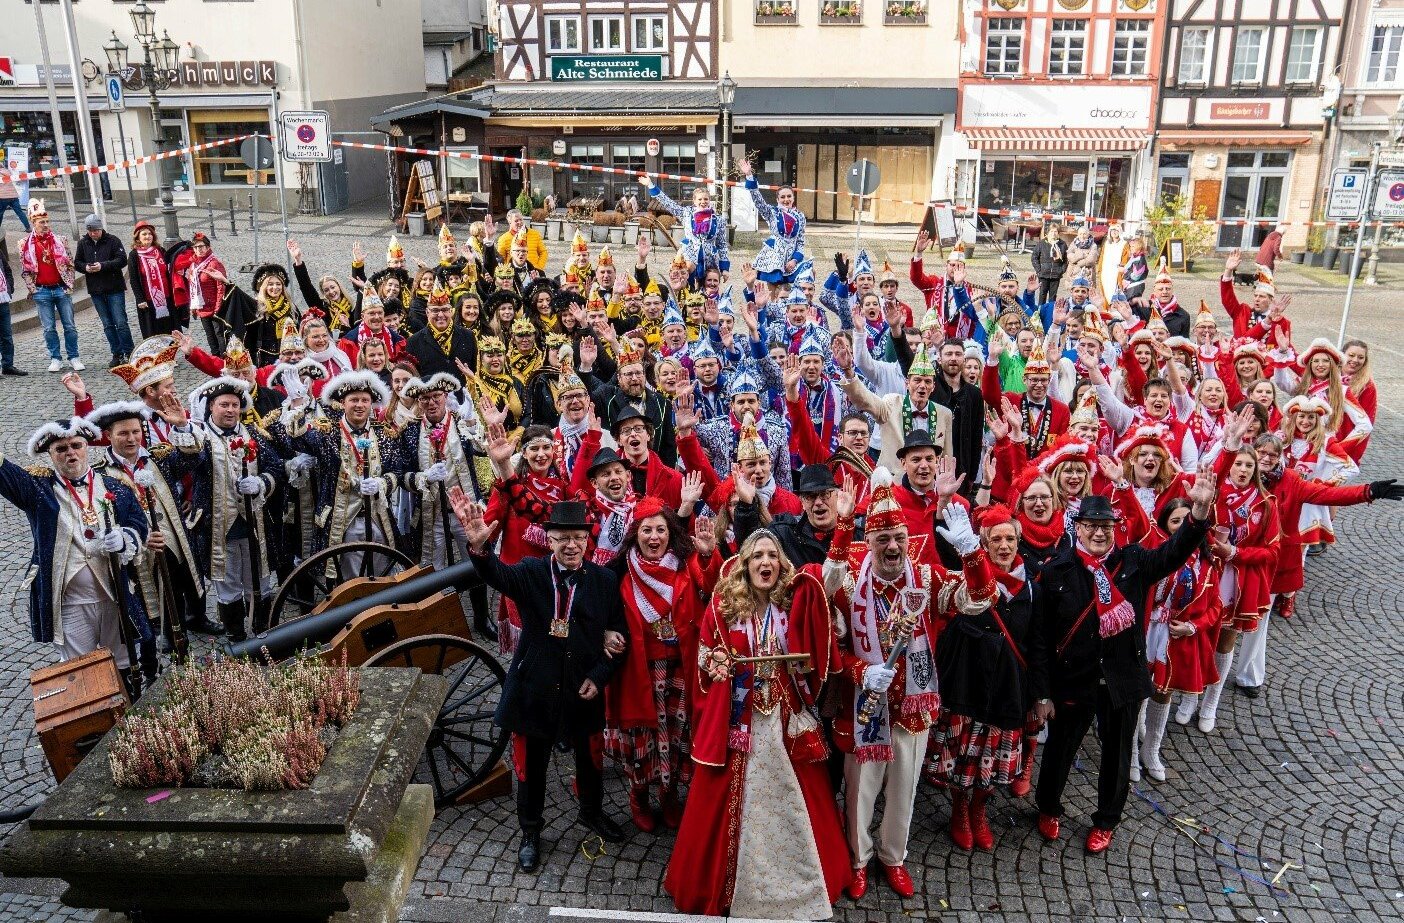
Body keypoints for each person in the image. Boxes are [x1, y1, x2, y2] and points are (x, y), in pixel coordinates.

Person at [823, 468, 995, 898]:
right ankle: (858, 858)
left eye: (899, 537)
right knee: (860, 792)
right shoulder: (850, 584)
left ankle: (892, 856)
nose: (892, 546)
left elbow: (980, 598)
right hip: (864, 708)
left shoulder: (926, 579)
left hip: (912, 709)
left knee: (904, 791)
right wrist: (862, 672)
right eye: (882, 539)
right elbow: (831, 639)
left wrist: (971, 551)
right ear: (869, 543)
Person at [664, 529, 851, 918]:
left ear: (781, 563)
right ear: (745, 564)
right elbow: (705, 654)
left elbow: (827, 589)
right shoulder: (724, 606)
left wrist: (844, 528)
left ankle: (803, 885)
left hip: (784, 714)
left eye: (772, 556)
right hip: (739, 717)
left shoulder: (792, 602)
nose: (765, 562)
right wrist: (717, 663)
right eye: (757, 556)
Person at [1032, 471, 1217, 854]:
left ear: (1116, 528)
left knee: (1117, 756)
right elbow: (1041, 639)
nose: (1099, 533)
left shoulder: (1134, 560)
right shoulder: (1055, 570)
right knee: (1060, 750)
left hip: (1121, 678)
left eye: (1106, 526)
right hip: (1073, 679)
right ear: (1077, 528)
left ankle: (1106, 821)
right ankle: (1048, 807)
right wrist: (1043, 693)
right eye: (1091, 526)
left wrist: (1199, 513)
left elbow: (1175, 552)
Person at [455, 497, 629, 873]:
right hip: (535, 689)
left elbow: (620, 638)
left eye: (578, 538)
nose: (571, 545)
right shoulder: (532, 571)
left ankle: (592, 812)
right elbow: (496, 575)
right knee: (532, 768)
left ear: (587, 540)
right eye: (562, 538)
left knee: (590, 761)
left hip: (582, 689)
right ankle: (531, 832)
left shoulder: (603, 581)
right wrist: (480, 548)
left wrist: (599, 676)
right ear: (549, 540)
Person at [0, 416, 152, 696]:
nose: (71, 453)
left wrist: (126, 538)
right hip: (70, 601)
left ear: (87, 448)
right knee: (79, 668)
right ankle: (93, 717)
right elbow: (4, 473)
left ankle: (130, 709)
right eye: (61, 449)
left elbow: (138, 522)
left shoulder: (115, 486)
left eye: (76, 446)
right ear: (50, 455)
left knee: (124, 661)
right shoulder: (38, 489)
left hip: (114, 595)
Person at [930, 503, 1044, 849]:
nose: (1004, 546)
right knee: (964, 754)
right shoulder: (969, 577)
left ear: (1019, 541)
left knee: (992, 759)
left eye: (1010, 539)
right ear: (984, 543)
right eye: (996, 539)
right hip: (969, 680)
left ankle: (979, 809)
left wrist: (1040, 694)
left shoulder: (1032, 585)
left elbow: (1039, 643)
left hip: (1009, 685)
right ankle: (960, 810)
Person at [604, 498, 716, 832]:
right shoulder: (618, 572)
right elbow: (600, 611)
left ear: (671, 533)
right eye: (647, 530)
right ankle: (638, 796)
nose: (654, 537)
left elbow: (713, 587)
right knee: (643, 737)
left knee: (678, 735)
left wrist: (708, 554)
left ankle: (669, 795)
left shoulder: (686, 564)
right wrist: (605, 633)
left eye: (661, 530)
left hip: (680, 666)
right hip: (638, 670)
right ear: (635, 535)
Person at [19, 200, 85, 373]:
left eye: (47, 221)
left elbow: (70, 264)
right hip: (41, 290)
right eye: (42, 222)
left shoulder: (60, 240)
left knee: (69, 326)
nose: (46, 225)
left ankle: (74, 356)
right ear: (33, 223)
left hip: (60, 288)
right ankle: (55, 358)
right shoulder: (24, 244)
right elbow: (25, 270)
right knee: (48, 328)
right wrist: (33, 289)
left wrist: (68, 284)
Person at [75, 214, 135, 368]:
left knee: (120, 322)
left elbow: (122, 260)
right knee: (107, 324)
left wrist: (103, 266)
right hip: (96, 289)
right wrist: (86, 267)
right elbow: (77, 262)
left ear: (101, 229)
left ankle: (129, 351)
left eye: (95, 230)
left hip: (114, 288)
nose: (93, 233)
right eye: (90, 231)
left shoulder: (113, 240)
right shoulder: (83, 243)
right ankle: (117, 353)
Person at [126, 221, 179, 338]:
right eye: (144, 234)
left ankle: (171, 349)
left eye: (150, 234)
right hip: (148, 301)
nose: (148, 236)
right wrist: (140, 299)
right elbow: (134, 280)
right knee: (153, 332)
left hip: (166, 297)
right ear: (138, 237)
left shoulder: (160, 250)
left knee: (170, 330)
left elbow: (170, 269)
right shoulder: (134, 255)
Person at [0, 237, 26, 375]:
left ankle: (8, 365)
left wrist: (9, 287)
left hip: (3, 299)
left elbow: (7, 269)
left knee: (7, 336)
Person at [1031, 224, 1067, 305]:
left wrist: (1062, 270)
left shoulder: (1062, 244)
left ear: (1058, 233)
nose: (1053, 233)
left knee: (1053, 296)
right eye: (1051, 231)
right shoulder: (1042, 243)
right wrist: (1039, 270)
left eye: (1055, 231)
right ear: (1048, 233)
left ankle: (1050, 311)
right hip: (1043, 274)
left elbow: (1066, 259)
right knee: (1042, 294)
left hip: (1056, 274)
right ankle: (1040, 311)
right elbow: (1034, 257)